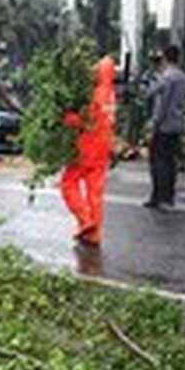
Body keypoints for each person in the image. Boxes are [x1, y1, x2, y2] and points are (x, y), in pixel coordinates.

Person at [60, 56, 116, 248]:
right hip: (103, 148)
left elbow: (84, 121)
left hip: (87, 147)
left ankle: (85, 220)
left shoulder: (96, 95)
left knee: (68, 184)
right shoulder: (110, 94)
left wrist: (66, 116)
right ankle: (94, 234)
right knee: (95, 193)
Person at [145, 45, 185, 210]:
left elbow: (160, 99)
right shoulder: (183, 77)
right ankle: (168, 197)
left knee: (159, 161)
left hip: (164, 124)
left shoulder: (167, 77)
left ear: (164, 57)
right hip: (176, 123)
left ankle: (159, 197)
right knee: (170, 161)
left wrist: (155, 122)